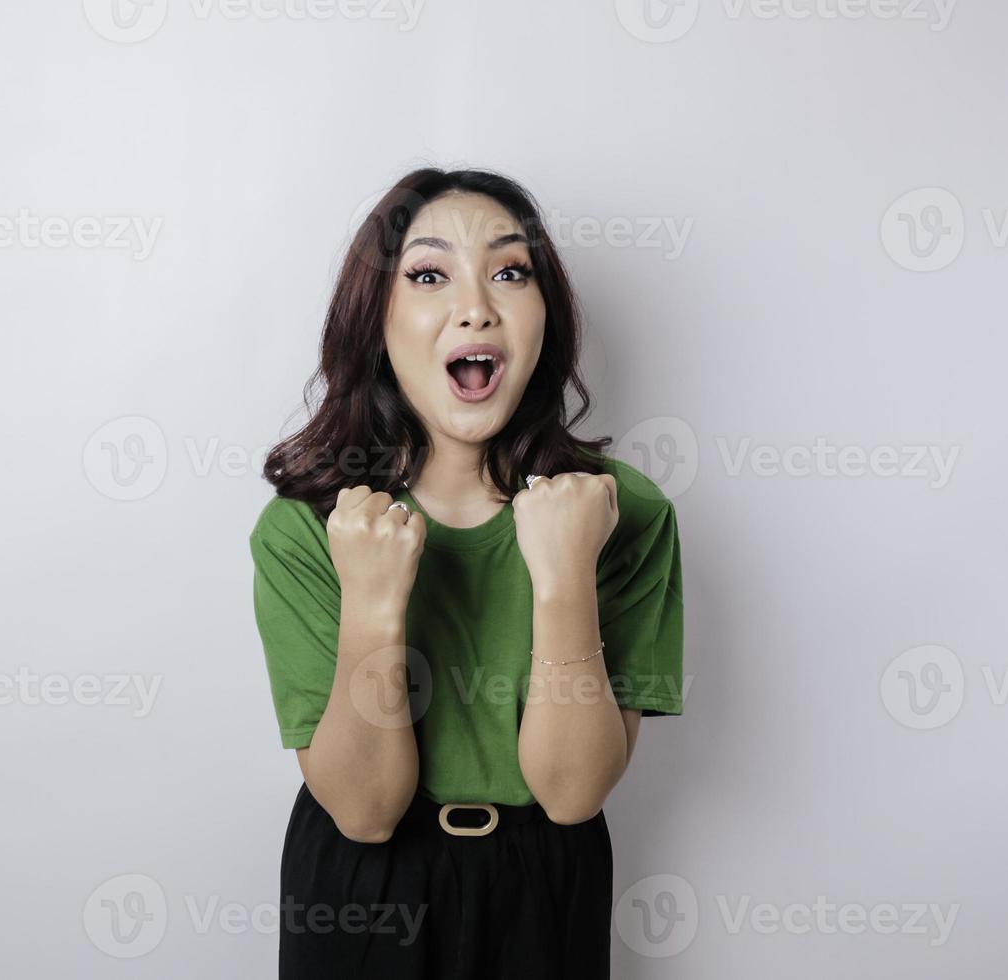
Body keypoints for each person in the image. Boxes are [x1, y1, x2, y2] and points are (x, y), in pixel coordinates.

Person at [249, 166, 685, 978]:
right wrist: (373, 607)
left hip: (544, 889)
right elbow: (367, 812)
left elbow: (572, 793)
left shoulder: (624, 512)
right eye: (428, 274)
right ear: (376, 319)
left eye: (510, 272)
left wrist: (563, 582)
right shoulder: (307, 529)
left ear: (545, 316)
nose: (477, 305)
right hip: (360, 892)